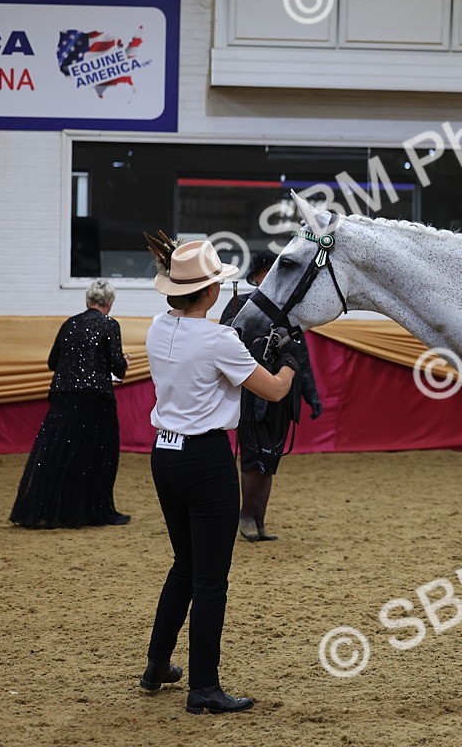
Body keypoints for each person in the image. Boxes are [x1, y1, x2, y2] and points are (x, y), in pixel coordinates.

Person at [139, 237, 297, 714]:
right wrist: (290, 360)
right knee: (211, 580)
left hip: (164, 454)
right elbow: (270, 391)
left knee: (184, 566)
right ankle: (203, 686)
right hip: (205, 461)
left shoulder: (154, 327)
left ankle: (156, 665)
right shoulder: (217, 339)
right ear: (209, 293)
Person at [219, 250, 322, 542]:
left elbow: (300, 356)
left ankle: (258, 520)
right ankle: (246, 516)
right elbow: (226, 342)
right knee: (253, 459)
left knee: (271, 459)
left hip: (283, 397)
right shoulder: (241, 305)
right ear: (259, 274)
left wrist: (310, 395)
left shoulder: (290, 310)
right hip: (253, 396)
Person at [10, 280, 130, 528]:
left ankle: (47, 509)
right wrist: (120, 363)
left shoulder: (69, 324)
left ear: (87, 301)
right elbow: (117, 365)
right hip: (95, 400)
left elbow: (53, 362)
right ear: (109, 303)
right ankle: (94, 511)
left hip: (63, 396)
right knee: (97, 457)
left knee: (57, 454)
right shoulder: (109, 325)